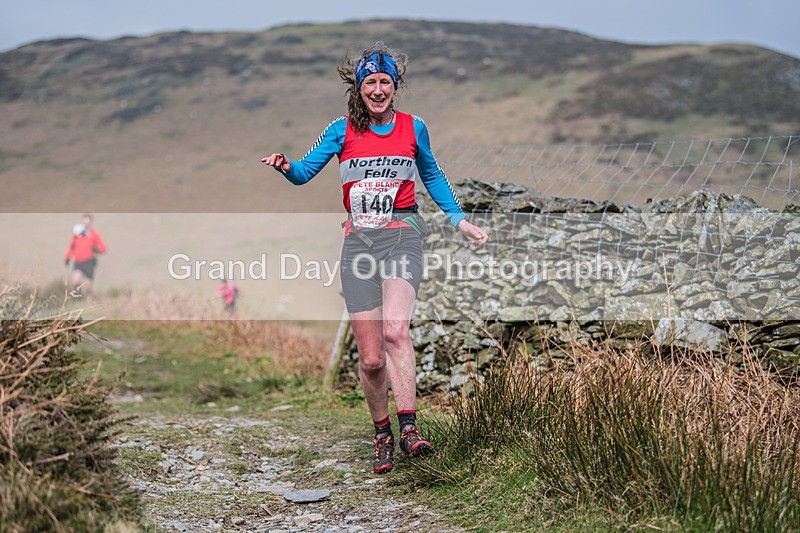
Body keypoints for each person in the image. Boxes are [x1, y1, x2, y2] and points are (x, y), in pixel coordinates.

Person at [261, 42, 488, 475]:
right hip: (359, 242)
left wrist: (458, 220)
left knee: (397, 332)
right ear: (360, 87)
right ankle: (381, 432)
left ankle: (409, 429)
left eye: (386, 82)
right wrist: (286, 166)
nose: (379, 90)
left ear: (395, 86)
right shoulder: (341, 129)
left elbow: (433, 174)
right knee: (370, 359)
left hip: (403, 233)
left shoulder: (413, 127)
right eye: (371, 83)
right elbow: (306, 172)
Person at [64, 214, 107, 297]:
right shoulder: (77, 235)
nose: (86, 223)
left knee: (88, 286)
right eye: (85, 222)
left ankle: (89, 301)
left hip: (89, 262)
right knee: (75, 282)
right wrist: (67, 257)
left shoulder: (94, 234)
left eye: (88, 222)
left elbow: (103, 248)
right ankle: (78, 299)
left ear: (91, 222)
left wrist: (98, 249)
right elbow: (72, 247)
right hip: (78, 261)